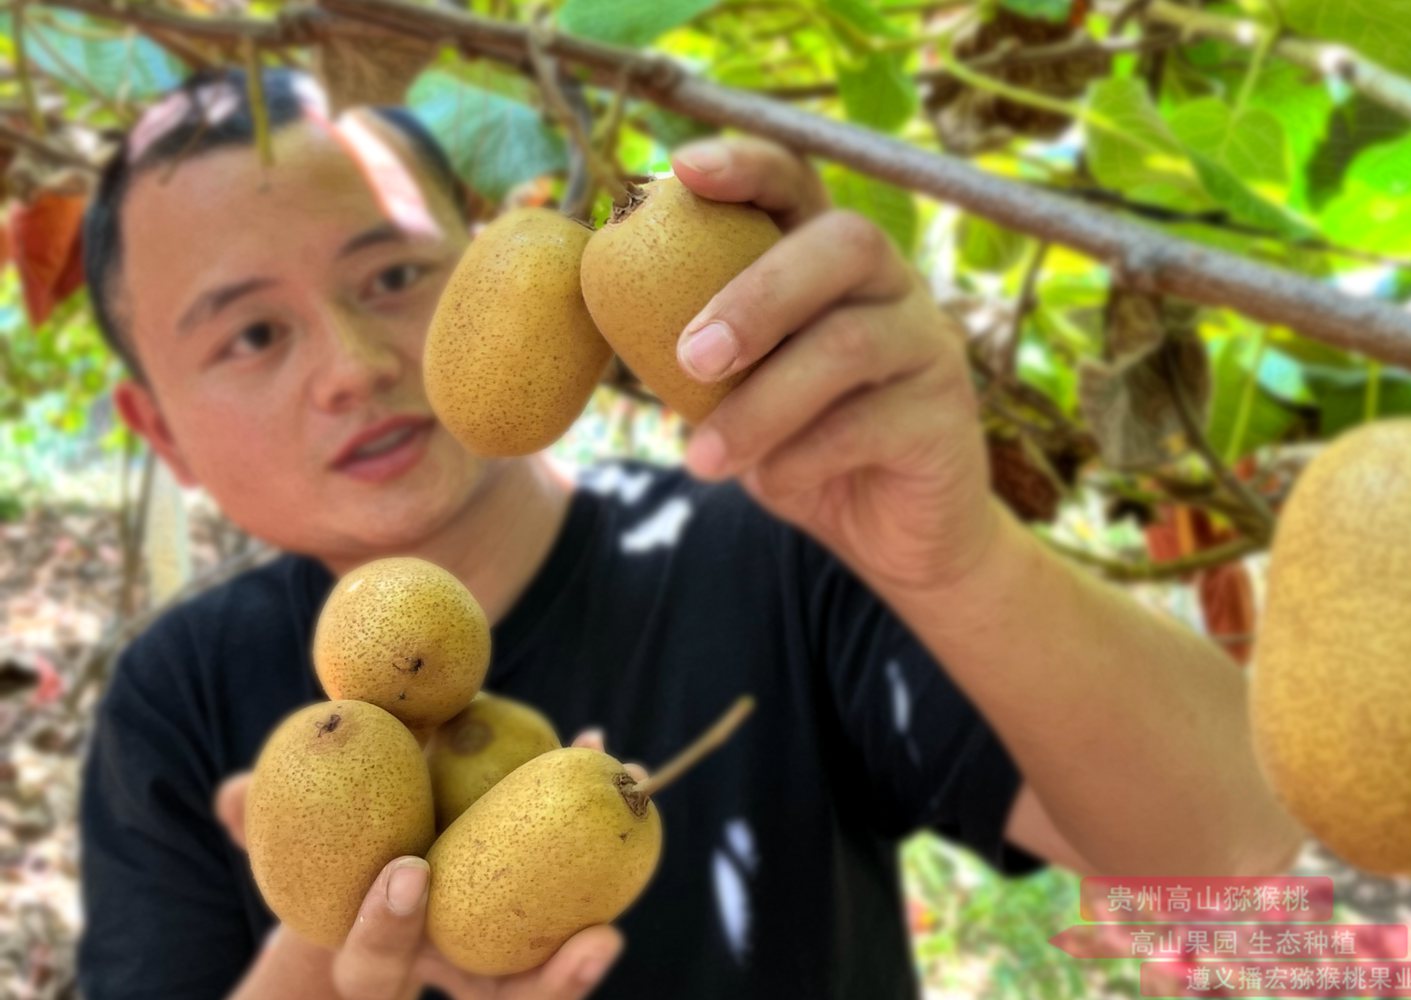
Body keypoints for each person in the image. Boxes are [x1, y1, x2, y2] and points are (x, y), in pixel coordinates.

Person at [76, 68, 1304, 1000]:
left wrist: (958, 555)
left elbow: (1232, 849)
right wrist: (317, 967)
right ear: (157, 428)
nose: (350, 365)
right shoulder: (173, 699)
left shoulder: (777, 552)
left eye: (393, 276)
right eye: (250, 334)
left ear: (492, 253)